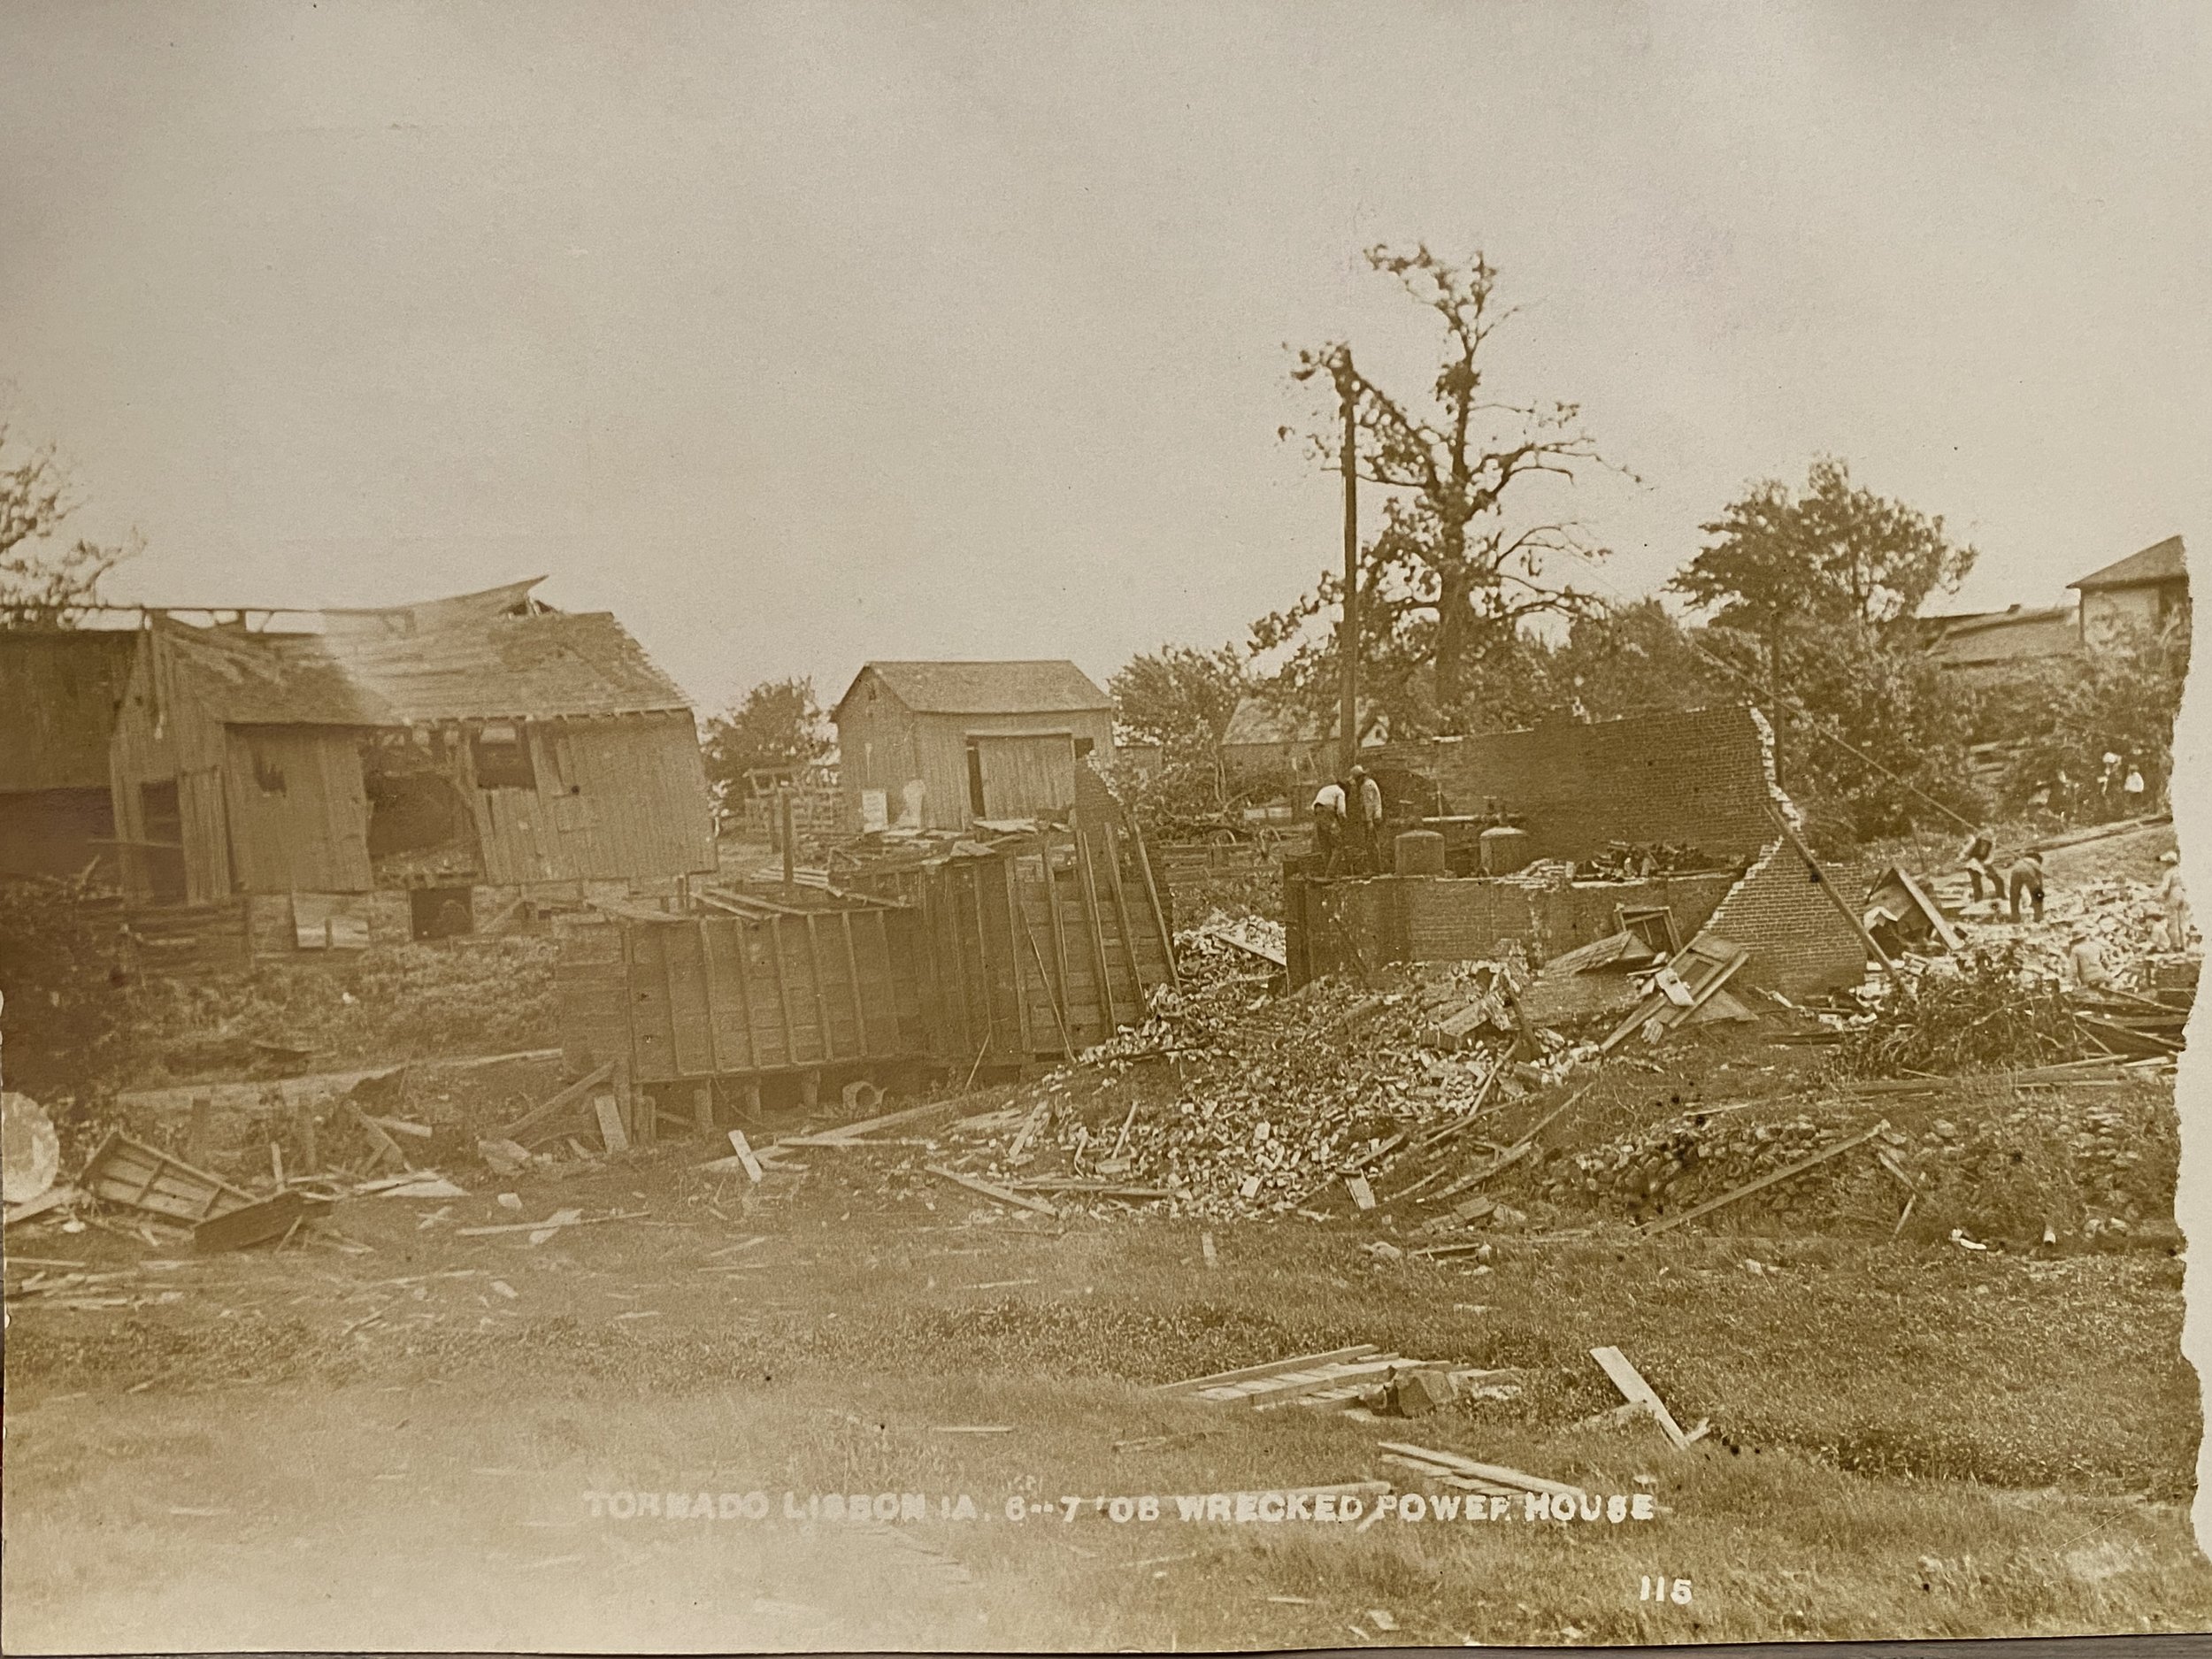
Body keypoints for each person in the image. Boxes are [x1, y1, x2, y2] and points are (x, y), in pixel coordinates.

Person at [1350, 764, 1385, 873]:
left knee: (1372, 844)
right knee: (1373, 843)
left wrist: (1369, 821)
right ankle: (1376, 868)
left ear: (1360, 777)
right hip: (1373, 817)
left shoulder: (1366, 786)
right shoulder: (1370, 783)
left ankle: (1376, 869)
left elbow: (1369, 805)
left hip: (1372, 818)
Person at [1311, 777, 1348, 876]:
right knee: (1338, 846)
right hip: (1327, 814)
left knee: (1325, 846)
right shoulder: (1340, 792)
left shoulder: (1324, 790)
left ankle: (1328, 872)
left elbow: (1313, 807)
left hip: (1317, 815)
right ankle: (1331, 874)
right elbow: (1341, 811)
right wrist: (1343, 823)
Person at [2157, 849, 2193, 949]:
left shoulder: (2169, 872)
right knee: (2184, 920)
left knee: (2173, 919)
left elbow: (2164, 888)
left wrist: (2161, 897)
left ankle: (2176, 944)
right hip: (2185, 895)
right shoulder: (2185, 871)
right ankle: (2185, 944)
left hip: (2174, 893)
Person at [2007, 848, 2045, 924]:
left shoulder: (2021, 861)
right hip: (2027, 872)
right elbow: (2040, 886)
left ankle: (2015, 917)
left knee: (2014, 895)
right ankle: (2039, 917)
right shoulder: (2036, 864)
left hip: (2016, 871)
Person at [1960, 829, 1999, 902]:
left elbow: (1990, 858)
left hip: (1983, 863)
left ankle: (2000, 895)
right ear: (1981, 839)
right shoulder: (1974, 843)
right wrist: (1963, 857)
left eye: (1987, 842)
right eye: (1983, 841)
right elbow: (1963, 854)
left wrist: (1985, 865)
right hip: (1972, 863)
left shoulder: (1991, 845)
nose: (1985, 843)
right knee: (1977, 883)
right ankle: (1978, 901)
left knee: (1995, 877)